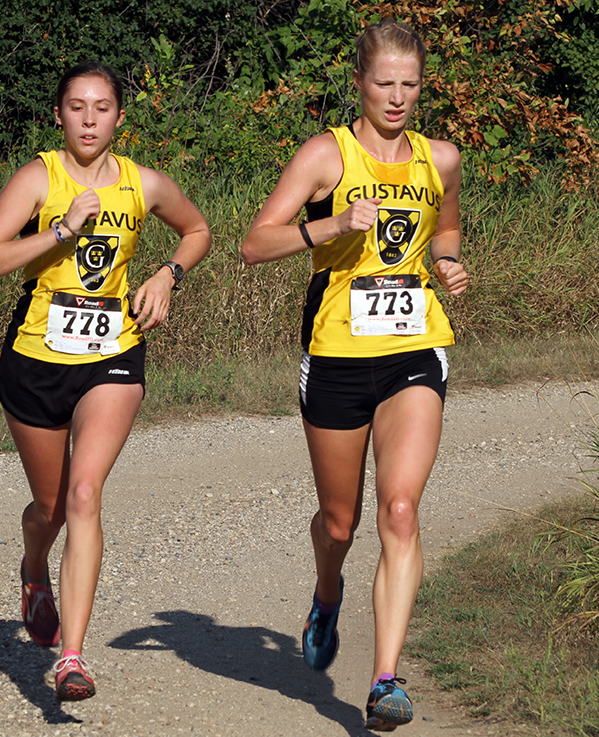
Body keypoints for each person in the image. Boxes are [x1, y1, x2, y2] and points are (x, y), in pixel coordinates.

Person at [240, 19, 468, 732]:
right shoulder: (325, 156)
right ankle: (328, 589)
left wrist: (448, 263)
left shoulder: (442, 157)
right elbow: (254, 244)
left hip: (415, 348)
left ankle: (386, 680)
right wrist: (333, 225)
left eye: (410, 85)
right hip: (336, 351)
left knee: (399, 509)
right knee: (340, 522)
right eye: (384, 83)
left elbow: (446, 227)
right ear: (360, 85)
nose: (397, 98)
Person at [0, 60, 211, 702]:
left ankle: (71, 657)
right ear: (59, 114)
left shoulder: (144, 184)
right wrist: (59, 230)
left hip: (114, 353)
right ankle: (33, 564)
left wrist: (167, 276)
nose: (89, 119)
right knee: (49, 507)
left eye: (102, 108)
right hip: (36, 357)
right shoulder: (37, 177)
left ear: (119, 118)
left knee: (83, 494)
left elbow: (198, 230)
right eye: (77, 107)